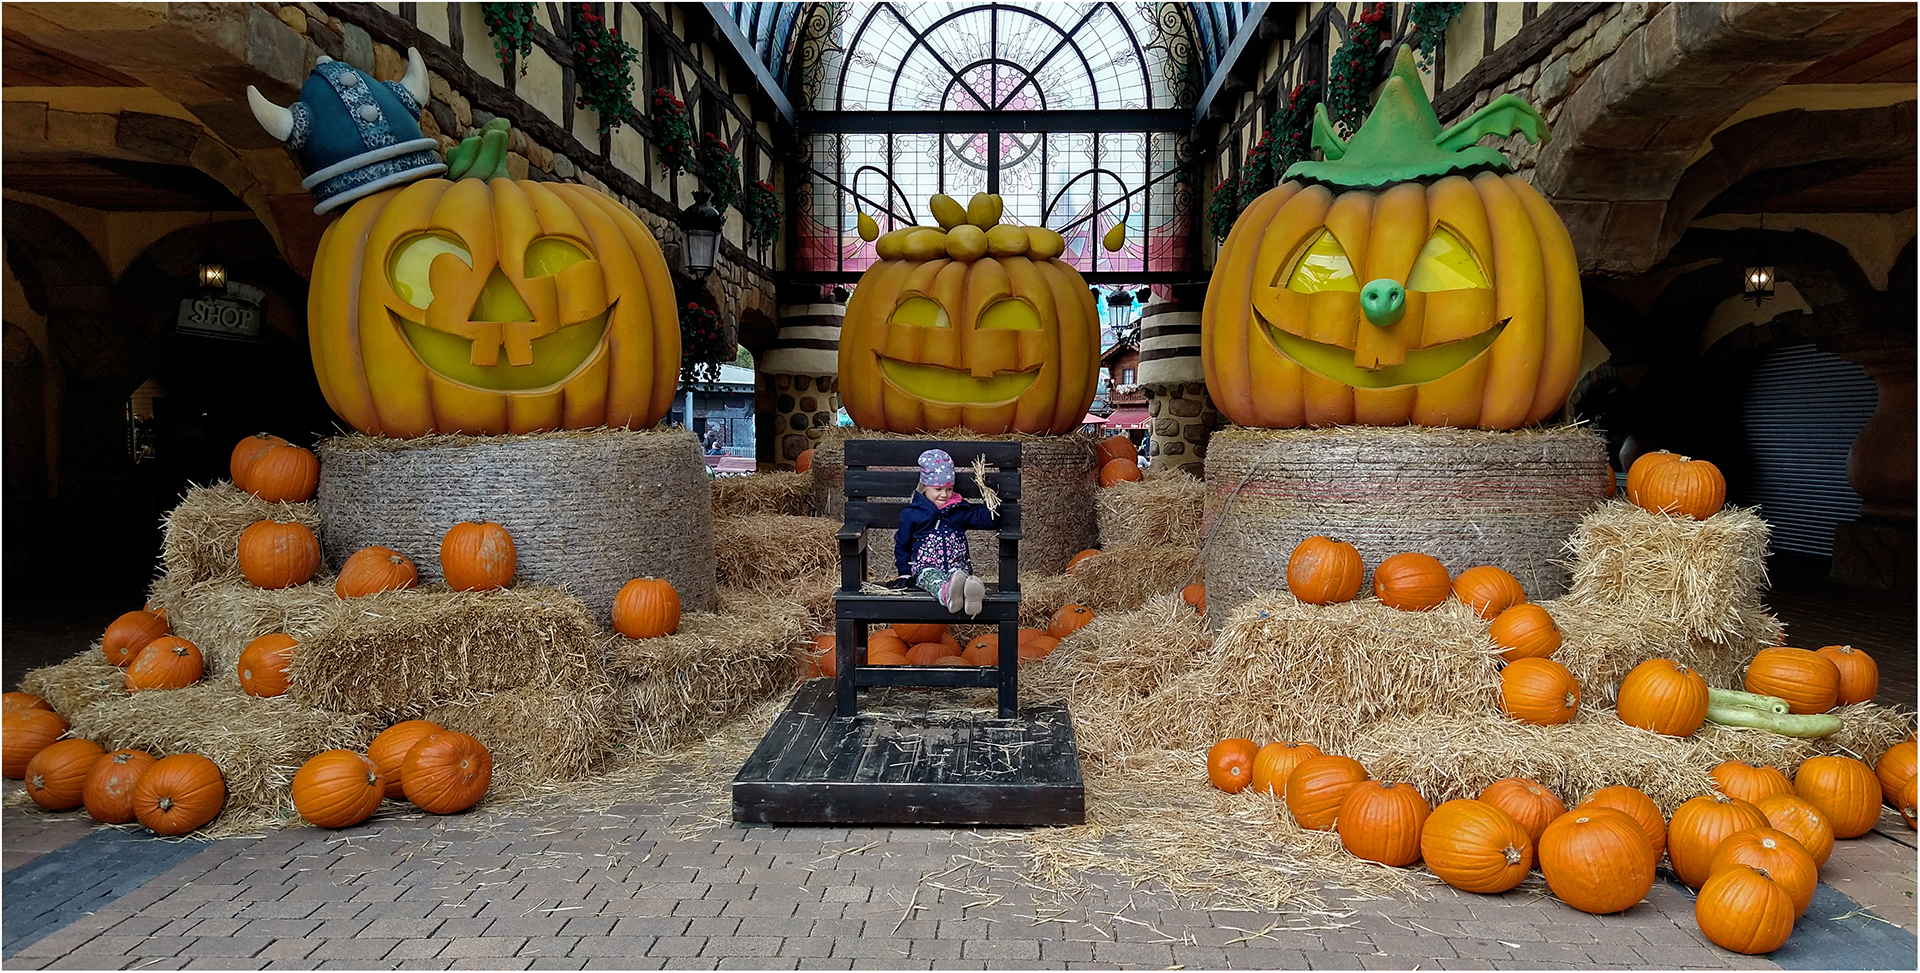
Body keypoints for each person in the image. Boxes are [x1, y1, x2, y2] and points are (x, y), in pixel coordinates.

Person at [893, 448, 997, 615]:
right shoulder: (913, 513)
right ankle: (946, 593)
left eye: (949, 489)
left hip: (957, 567)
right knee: (933, 579)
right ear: (924, 486)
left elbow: (987, 520)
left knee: (960, 577)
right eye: (938, 489)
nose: (944, 495)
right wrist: (904, 572)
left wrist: (991, 496)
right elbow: (902, 544)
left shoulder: (959, 509)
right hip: (925, 568)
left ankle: (971, 596)